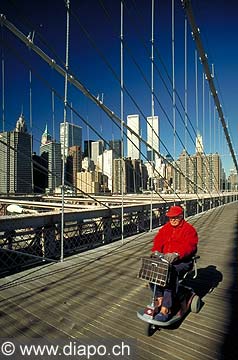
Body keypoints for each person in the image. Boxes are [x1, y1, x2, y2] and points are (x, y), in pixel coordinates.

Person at [150, 205, 198, 322]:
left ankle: (166, 308)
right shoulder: (166, 228)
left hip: (183, 261)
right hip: (165, 259)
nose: (173, 220)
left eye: (176, 217)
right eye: (171, 218)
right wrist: (156, 251)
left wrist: (177, 254)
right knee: (152, 271)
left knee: (170, 275)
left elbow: (190, 246)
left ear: (181, 216)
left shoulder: (189, 230)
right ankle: (159, 297)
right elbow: (158, 240)